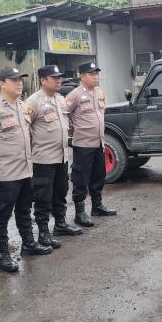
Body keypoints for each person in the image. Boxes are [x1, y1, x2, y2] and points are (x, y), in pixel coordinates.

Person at [0, 67, 52, 273]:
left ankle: (29, 244)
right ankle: (3, 254)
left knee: (24, 209)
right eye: (14, 80)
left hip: (26, 170)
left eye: (21, 79)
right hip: (7, 172)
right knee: (2, 214)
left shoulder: (22, 106)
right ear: (2, 83)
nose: (20, 83)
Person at [25, 65, 83, 248]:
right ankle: (43, 232)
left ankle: (60, 223)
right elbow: (25, 129)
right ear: (43, 80)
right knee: (43, 195)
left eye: (59, 77)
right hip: (43, 159)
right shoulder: (33, 102)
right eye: (54, 78)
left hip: (61, 156)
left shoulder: (59, 99)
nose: (59, 81)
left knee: (60, 191)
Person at [65, 62, 117, 227]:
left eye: (96, 73)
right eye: (91, 74)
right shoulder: (74, 95)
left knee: (98, 176)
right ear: (81, 76)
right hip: (83, 145)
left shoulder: (100, 93)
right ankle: (80, 213)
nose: (95, 76)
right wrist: (72, 131)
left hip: (98, 143)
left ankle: (97, 206)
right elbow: (64, 115)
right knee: (80, 178)